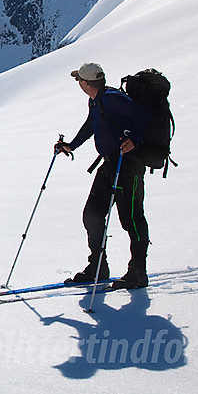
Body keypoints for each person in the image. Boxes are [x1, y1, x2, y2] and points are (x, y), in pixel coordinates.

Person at [55, 62, 152, 290]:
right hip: (109, 165)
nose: (78, 83)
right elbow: (91, 125)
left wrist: (134, 139)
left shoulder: (112, 98)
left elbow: (144, 116)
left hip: (128, 165)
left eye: (79, 79)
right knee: (92, 214)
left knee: (131, 219)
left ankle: (138, 272)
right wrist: (71, 146)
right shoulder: (96, 100)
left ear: (86, 83)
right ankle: (98, 267)